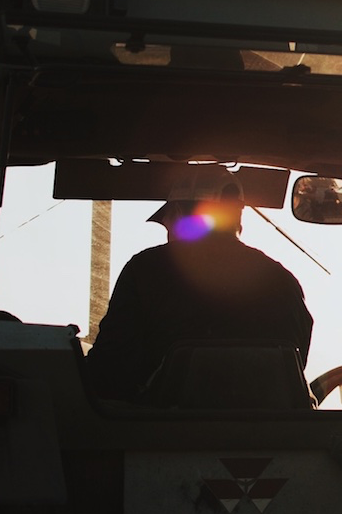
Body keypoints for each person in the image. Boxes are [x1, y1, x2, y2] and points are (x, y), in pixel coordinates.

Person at [86, 166, 313, 402]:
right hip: (271, 434)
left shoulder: (144, 270)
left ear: (176, 211)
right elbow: (294, 364)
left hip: (160, 432)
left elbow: (109, 369)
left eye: (166, 222)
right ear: (238, 218)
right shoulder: (282, 280)